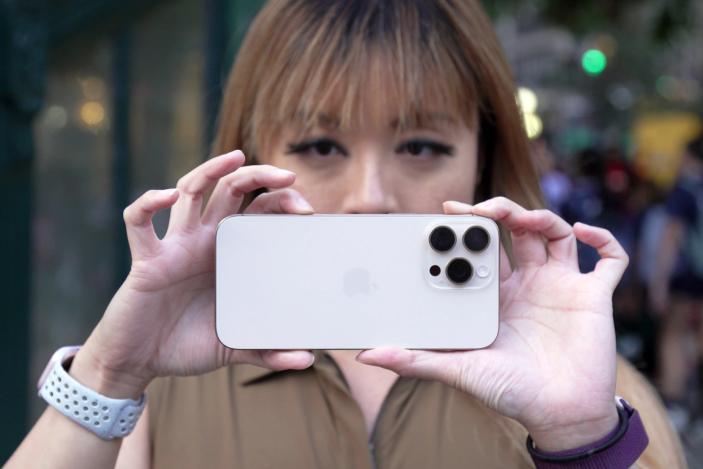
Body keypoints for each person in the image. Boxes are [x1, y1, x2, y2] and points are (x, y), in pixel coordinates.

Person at [7, 1, 685, 468]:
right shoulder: (166, 389)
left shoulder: (586, 383)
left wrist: (580, 439)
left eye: (420, 145)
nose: (370, 198)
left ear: (483, 157)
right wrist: (108, 375)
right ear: (252, 158)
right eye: (320, 146)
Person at [650, 132, 703, 430]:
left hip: (688, 277)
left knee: (673, 333)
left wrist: (659, 283)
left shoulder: (685, 190)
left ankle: (675, 402)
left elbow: (670, 238)